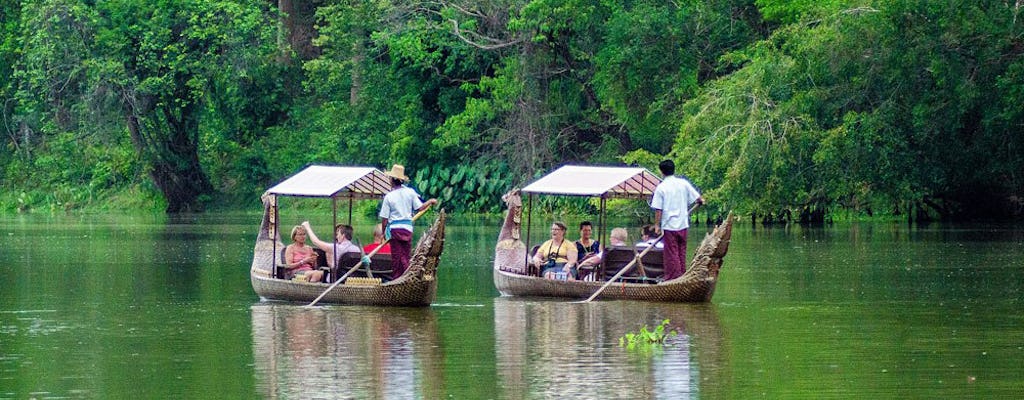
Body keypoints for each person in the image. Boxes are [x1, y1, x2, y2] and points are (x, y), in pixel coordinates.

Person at [380, 164, 438, 281]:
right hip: (407, 229)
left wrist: (383, 233)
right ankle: (407, 277)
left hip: (395, 230)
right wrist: (430, 201)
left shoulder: (389, 196)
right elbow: (420, 207)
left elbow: (385, 219)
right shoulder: (410, 192)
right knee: (405, 256)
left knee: (397, 258)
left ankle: (398, 279)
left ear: (391, 180)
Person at [650, 159, 704, 280]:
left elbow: (658, 209)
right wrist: (700, 201)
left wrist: (657, 226)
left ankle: (674, 278)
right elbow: (699, 199)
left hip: (669, 226)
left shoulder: (661, 187)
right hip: (683, 224)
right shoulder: (683, 183)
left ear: (661, 172)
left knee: (671, 253)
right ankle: (682, 276)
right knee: (681, 252)